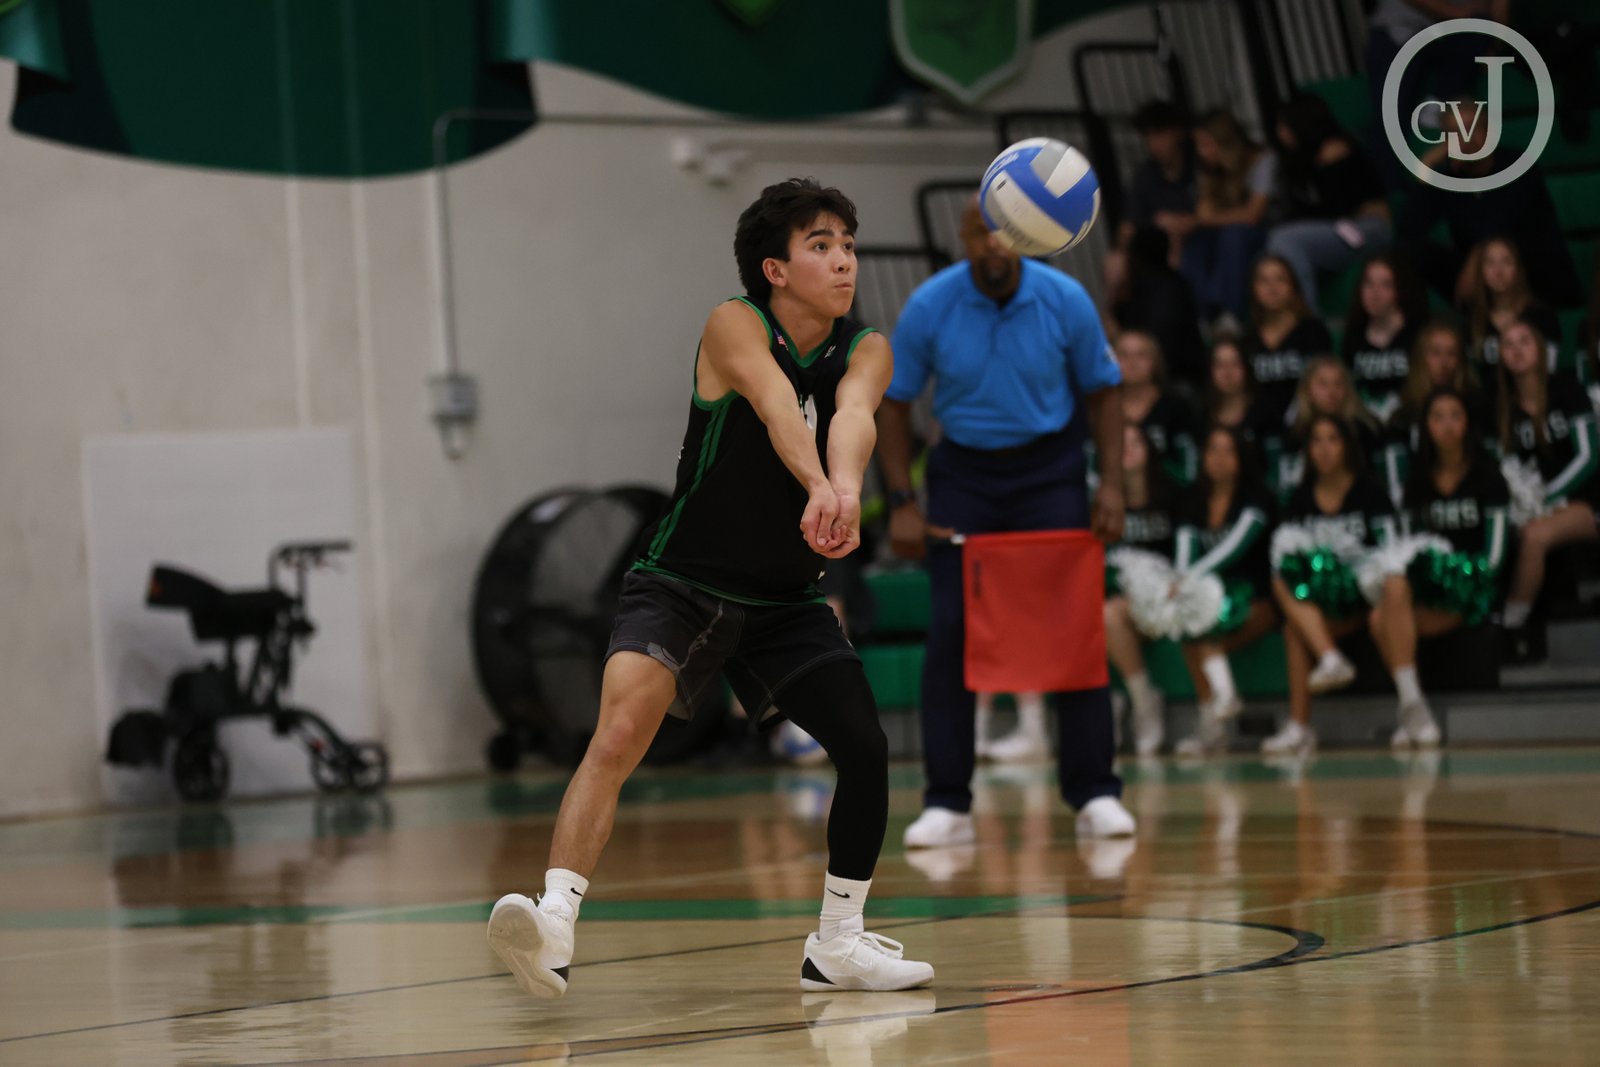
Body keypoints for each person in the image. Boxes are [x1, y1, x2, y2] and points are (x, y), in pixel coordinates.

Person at [486, 179, 934, 999]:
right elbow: (776, 404)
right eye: (821, 246)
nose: (844, 261)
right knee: (618, 735)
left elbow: (853, 416)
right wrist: (817, 487)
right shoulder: (734, 323)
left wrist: (843, 488)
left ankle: (837, 943)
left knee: (865, 748)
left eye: (847, 244)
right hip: (681, 584)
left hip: (785, 600)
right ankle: (553, 922)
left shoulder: (867, 345)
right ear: (775, 268)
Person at [879, 197, 1136, 849]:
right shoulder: (931, 305)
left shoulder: (1064, 298)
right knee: (952, 631)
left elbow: (1105, 392)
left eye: (1005, 234)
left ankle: (1095, 792)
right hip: (964, 476)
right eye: (980, 234)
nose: (993, 245)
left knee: (1073, 628)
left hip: (1050, 471)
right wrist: (902, 500)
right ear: (963, 239)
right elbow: (894, 403)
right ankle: (947, 802)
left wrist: (1111, 483)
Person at [1366, 387, 1511, 747]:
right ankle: (1413, 705)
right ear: (1426, 426)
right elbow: (1408, 547)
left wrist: (1462, 578)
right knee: (1384, 606)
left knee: (1384, 621)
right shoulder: (1417, 481)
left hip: (1473, 587)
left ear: (1468, 423)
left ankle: (1412, 712)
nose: (1447, 425)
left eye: (1455, 416)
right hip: (1428, 589)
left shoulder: (1489, 477)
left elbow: (1494, 556)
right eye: (1437, 417)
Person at [1265, 415, 1399, 757]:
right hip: (1321, 601)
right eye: (1316, 441)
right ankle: (1303, 721)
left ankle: (1328, 667)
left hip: (1367, 594)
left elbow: (1391, 551)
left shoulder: (1370, 491)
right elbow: (1286, 554)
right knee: (1285, 594)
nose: (1324, 449)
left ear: (1347, 447)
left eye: (1332, 439)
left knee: (1296, 623)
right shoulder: (1300, 498)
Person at [1398, 97, 1581, 308]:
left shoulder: (1517, 165)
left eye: (1471, 128)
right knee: (1412, 253)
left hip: (1534, 274)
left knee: (1500, 253)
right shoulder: (1450, 179)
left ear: (1488, 130)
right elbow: (1409, 229)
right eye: (1455, 133)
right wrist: (1425, 169)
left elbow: (1506, 223)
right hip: (1481, 281)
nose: (1466, 138)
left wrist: (1477, 254)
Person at [1170, 425, 1280, 756]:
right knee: (1192, 627)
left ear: (1242, 457)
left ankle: (1218, 715)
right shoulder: (1192, 499)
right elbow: (1185, 548)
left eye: (1228, 450)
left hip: (1258, 598)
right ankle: (1216, 720)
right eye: (1213, 450)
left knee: (1203, 629)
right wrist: (1181, 582)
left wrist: (1188, 580)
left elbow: (1233, 548)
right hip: (1210, 598)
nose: (1219, 458)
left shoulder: (1258, 499)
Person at [1495, 318, 1600, 656]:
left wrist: (1548, 497)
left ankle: (1511, 625)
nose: (1517, 350)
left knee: (1535, 535)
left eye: (1525, 341)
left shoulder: (1567, 389)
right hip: (1534, 505)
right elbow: (1502, 465)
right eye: (1508, 344)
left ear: (1540, 349)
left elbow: (1589, 456)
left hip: (1585, 498)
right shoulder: (1502, 408)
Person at [1266, 93, 1392, 310]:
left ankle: (1308, 320)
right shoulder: (1299, 159)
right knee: (1268, 254)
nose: (1280, 133)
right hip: (1335, 227)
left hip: (1367, 229)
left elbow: (1337, 209)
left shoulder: (1336, 150)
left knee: (1284, 240)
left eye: (1284, 125)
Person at [1103, 424, 1179, 756]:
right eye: (1121, 444)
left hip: (1168, 598)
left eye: (1136, 442)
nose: (1129, 450)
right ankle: (1135, 702)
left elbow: (1187, 554)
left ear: (1150, 449)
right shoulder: (1103, 505)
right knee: (1103, 614)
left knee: (1108, 615)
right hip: (1119, 607)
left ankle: (1136, 704)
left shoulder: (1173, 496)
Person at [1240, 254, 1334, 478]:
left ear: (1293, 287)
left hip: (1307, 431)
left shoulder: (1313, 332)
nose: (1272, 288)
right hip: (1259, 435)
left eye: (1280, 279)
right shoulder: (1247, 340)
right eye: (1264, 281)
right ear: (1253, 289)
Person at [1183, 110, 1280, 323]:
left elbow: (1253, 214)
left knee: (1233, 236)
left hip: (1265, 230)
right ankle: (1202, 313)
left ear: (1224, 142)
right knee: (1196, 241)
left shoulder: (1263, 160)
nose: (1201, 151)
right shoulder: (1209, 170)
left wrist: (1210, 219)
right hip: (1224, 231)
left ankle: (1229, 312)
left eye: (1206, 144)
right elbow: (1204, 212)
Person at [1383, 318, 1485, 494]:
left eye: (1451, 353)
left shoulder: (1477, 408)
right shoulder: (1403, 416)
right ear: (1420, 358)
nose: (1444, 363)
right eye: (1436, 353)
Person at [1461, 237, 1568, 396]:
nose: (1498, 271)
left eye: (1506, 262)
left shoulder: (1542, 316)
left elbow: (1549, 371)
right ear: (1481, 272)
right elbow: (1471, 379)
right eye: (1490, 263)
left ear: (1518, 269)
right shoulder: (1472, 321)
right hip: (1488, 405)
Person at [1111, 226, 1207, 391]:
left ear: (1135, 256)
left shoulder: (1149, 289)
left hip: (1172, 380)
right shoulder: (1178, 283)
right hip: (1182, 376)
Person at [1281, 357, 1386, 495]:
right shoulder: (1295, 434)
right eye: (1323, 384)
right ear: (1307, 390)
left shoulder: (1364, 430)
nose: (1331, 392)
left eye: (1338, 384)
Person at [1343, 253, 1427, 424]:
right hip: (1365, 424)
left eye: (1385, 285)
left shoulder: (1418, 334)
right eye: (1369, 284)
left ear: (1399, 290)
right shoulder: (1353, 335)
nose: (1375, 293)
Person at [1117, 329, 1199, 484]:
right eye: (1123, 355)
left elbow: (1189, 467)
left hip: (1168, 494)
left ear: (1155, 361)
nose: (1132, 363)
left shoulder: (1176, 407)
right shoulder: (1102, 408)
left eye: (1141, 355)